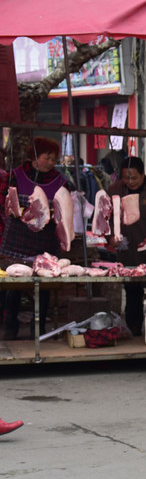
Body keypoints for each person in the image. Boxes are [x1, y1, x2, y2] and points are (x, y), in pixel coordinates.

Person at [1, 137, 69, 340]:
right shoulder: (16, 175)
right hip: (16, 240)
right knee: (14, 285)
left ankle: (38, 329)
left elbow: (65, 211)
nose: (51, 162)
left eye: (54, 159)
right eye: (47, 158)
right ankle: (10, 327)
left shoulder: (60, 181)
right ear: (34, 156)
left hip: (45, 241)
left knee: (43, 286)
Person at [107, 156, 146, 336]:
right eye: (126, 177)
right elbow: (107, 219)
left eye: (134, 177)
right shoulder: (114, 190)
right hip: (128, 252)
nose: (130, 182)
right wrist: (111, 236)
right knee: (133, 294)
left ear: (143, 174)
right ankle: (134, 331)